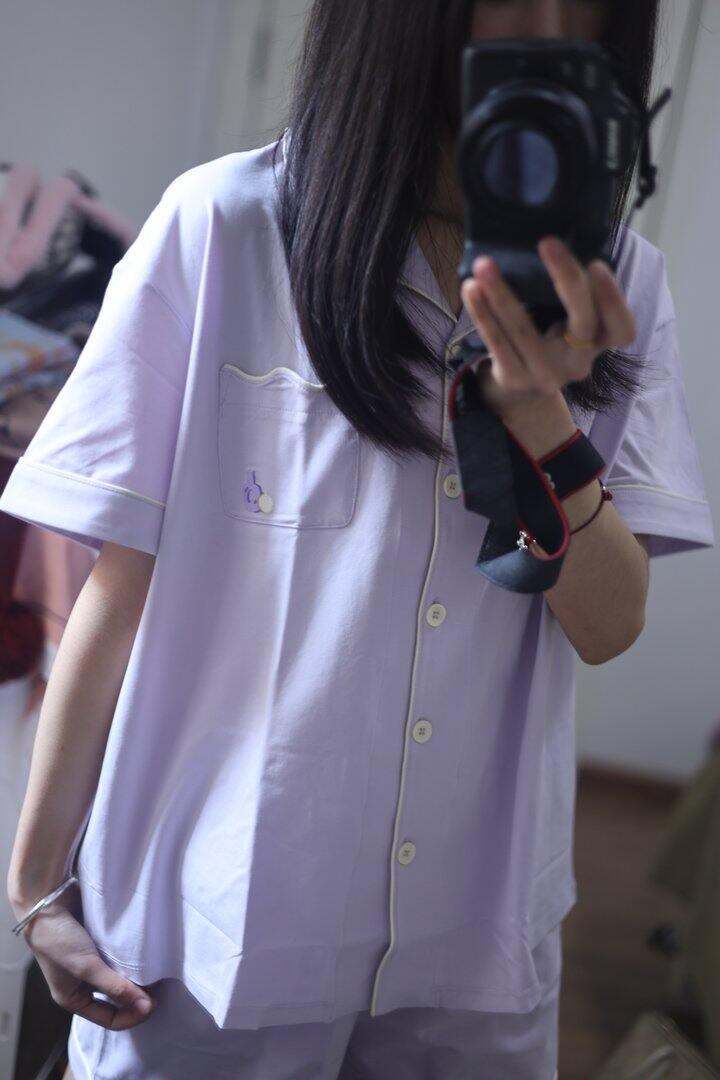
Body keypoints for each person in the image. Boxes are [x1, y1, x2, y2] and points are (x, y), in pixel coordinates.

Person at [2, 1, 715, 1077]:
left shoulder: (620, 286)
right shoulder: (227, 227)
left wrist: (541, 417)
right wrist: (36, 889)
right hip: (215, 926)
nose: (550, 28)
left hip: (471, 938)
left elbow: (609, 624)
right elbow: (121, 585)